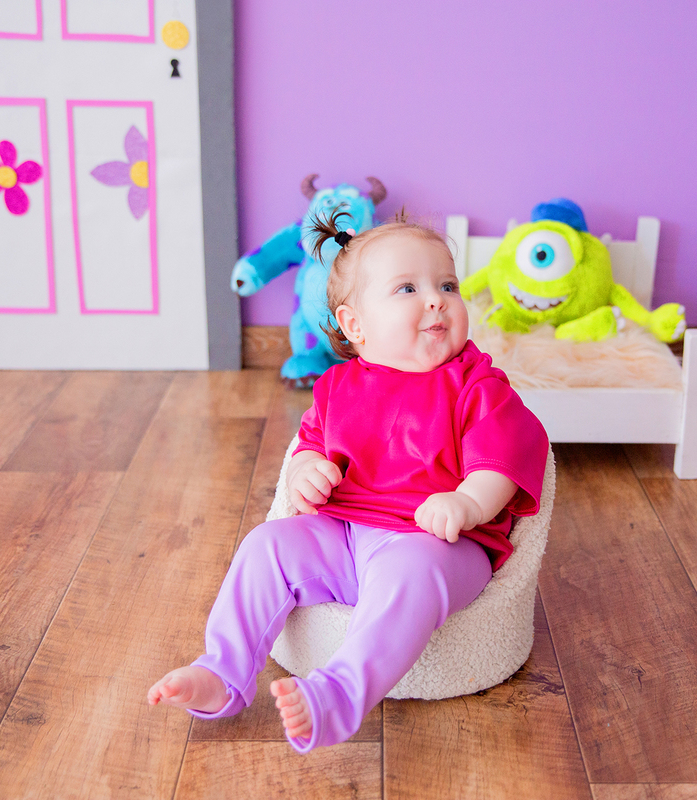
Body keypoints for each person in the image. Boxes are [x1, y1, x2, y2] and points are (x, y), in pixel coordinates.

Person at [147, 209, 549, 752]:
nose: (436, 299)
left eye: (447, 285)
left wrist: (468, 502)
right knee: (266, 545)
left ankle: (339, 695)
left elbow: (505, 458)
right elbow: (309, 446)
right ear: (356, 325)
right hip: (346, 537)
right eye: (407, 288)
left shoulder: (476, 385)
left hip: (438, 545)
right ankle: (222, 671)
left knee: (411, 569)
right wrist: (306, 472)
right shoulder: (337, 389)